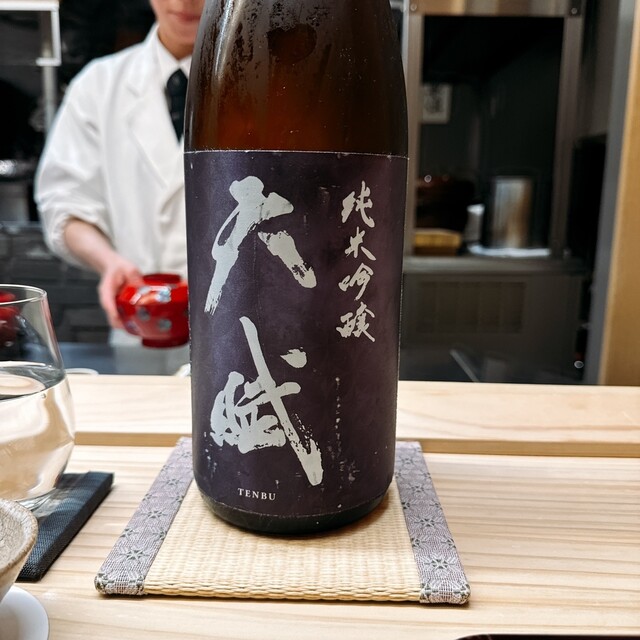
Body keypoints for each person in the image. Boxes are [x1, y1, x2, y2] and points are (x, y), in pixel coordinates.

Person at [35, 0, 204, 373]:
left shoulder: (263, 84)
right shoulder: (98, 85)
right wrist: (108, 261)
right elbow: (64, 203)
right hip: (136, 334)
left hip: (239, 328)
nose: (186, 2)